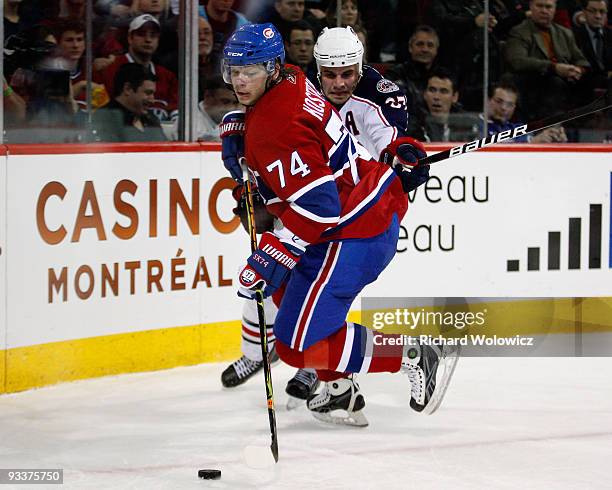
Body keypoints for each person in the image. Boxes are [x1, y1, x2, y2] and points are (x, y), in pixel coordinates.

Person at [220, 23, 456, 426]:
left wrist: (272, 254)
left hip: (353, 230)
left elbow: (320, 206)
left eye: (252, 71)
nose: (241, 80)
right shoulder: (291, 79)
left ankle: (416, 355)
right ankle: (339, 393)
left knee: (296, 343)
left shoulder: (277, 126)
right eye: (234, 71)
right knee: (284, 303)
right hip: (359, 214)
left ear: (273, 67)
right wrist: (243, 125)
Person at [504, 0, 590, 119]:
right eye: (539, 6)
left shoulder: (565, 33)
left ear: (554, 9)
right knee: (554, 82)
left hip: (565, 80)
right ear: (531, 7)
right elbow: (517, 61)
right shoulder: (519, 31)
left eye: (548, 7)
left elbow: (581, 60)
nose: (544, 10)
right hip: (535, 80)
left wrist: (578, 70)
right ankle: (549, 125)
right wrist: (554, 67)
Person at [96, 14, 179, 123]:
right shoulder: (109, 69)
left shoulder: (167, 76)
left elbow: (176, 110)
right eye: (141, 34)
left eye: (153, 35)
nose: (148, 40)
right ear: (130, 38)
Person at [91, 62, 166, 142]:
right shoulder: (103, 120)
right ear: (127, 89)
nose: (152, 100)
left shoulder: (151, 119)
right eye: (148, 93)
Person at [482, 81, 568, 142]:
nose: (504, 108)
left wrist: (555, 140)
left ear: (514, 108)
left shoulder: (518, 129)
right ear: (488, 100)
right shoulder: (474, 124)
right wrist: (533, 142)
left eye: (510, 104)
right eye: (499, 101)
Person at [419, 68, 480, 142]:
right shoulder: (411, 123)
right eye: (432, 90)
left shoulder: (467, 125)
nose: (436, 97)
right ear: (424, 94)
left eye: (443, 91)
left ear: (455, 97)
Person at [572, 0, 612, 90]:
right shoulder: (573, 36)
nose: (598, 16)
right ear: (584, 12)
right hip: (585, 87)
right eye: (592, 11)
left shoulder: (610, 34)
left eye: (602, 12)